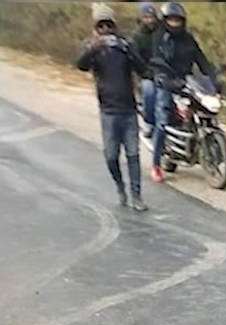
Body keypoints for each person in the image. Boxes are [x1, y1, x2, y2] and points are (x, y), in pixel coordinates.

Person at [77, 3, 152, 211]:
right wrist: (93, 48)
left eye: (109, 25)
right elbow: (80, 64)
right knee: (111, 157)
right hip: (108, 112)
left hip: (128, 109)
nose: (105, 30)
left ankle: (136, 196)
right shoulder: (93, 48)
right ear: (96, 28)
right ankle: (120, 187)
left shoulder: (125, 45)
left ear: (114, 26)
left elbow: (142, 69)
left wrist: (129, 51)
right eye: (101, 26)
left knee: (133, 155)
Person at [147, 1, 216, 183]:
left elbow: (202, 60)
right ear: (165, 20)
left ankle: (202, 144)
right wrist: (163, 77)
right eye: (171, 20)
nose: (175, 23)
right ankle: (156, 165)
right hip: (166, 82)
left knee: (204, 109)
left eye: (178, 20)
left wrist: (213, 77)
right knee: (162, 122)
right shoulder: (159, 38)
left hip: (187, 81)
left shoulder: (188, 39)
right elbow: (156, 60)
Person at [131, 2, 158, 135]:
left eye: (152, 17)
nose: (150, 20)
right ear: (140, 19)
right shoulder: (137, 37)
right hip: (147, 74)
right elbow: (136, 59)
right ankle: (150, 123)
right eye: (146, 17)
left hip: (166, 73)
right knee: (149, 91)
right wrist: (146, 72)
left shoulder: (162, 34)